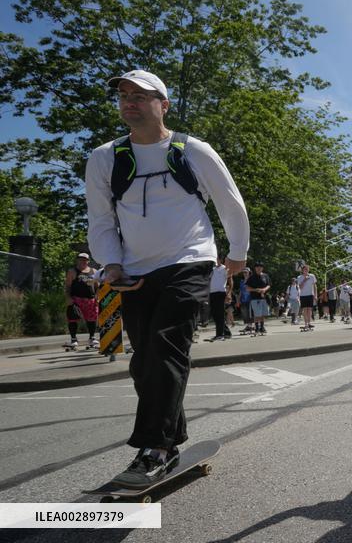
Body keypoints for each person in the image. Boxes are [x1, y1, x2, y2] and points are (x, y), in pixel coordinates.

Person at [85, 69, 249, 488]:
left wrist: (237, 256)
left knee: (164, 347)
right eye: (123, 95)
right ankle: (171, 437)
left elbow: (231, 204)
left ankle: (154, 449)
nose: (129, 102)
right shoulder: (105, 158)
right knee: (144, 362)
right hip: (134, 270)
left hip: (189, 259)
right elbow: (101, 220)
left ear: (164, 103)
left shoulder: (193, 150)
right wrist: (111, 264)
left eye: (140, 95)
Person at [64, 252, 99, 349]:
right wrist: (68, 297)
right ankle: (73, 339)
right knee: (73, 318)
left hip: (90, 300)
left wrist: (97, 296)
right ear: (77, 260)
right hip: (76, 299)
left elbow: (97, 287)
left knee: (92, 319)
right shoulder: (72, 271)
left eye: (84, 259)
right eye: (80, 259)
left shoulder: (94, 271)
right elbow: (67, 286)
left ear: (88, 261)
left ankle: (92, 338)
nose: (82, 261)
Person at [208, 254, 233, 341]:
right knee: (215, 315)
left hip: (221, 293)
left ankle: (220, 335)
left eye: (217, 259)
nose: (216, 260)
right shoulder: (212, 269)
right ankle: (226, 333)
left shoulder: (225, 268)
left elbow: (230, 283)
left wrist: (229, 293)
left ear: (220, 259)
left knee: (220, 314)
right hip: (212, 294)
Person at [245, 263, 271, 335]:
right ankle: (256, 328)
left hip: (264, 298)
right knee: (257, 314)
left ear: (262, 268)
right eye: (257, 267)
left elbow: (269, 285)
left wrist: (264, 289)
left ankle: (262, 328)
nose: (259, 268)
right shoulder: (251, 277)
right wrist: (256, 290)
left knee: (263, 313)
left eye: (260, 267)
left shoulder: (265, 276)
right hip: (255, 298)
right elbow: (247, 288)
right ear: (255, 268)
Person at [296, 264, 318, 331]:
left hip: (310, 295)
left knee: (310, 310)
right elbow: (300, 287)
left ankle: (309, 323)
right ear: (302, 270)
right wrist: (304, 280)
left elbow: (314, 286)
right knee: (305, 310)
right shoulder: (299, 277)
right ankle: (306, 324)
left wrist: (315, 295)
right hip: (303, 295)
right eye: (305, 269)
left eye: (307, 269)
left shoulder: (312, 276)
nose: (306, 270)